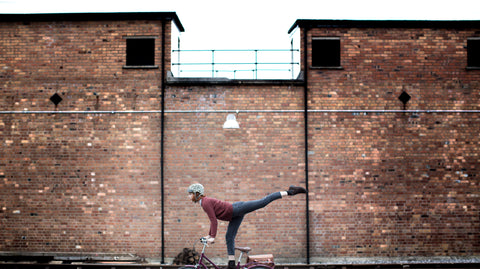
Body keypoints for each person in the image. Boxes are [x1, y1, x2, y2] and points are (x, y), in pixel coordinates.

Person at [187, 183, 307, 269]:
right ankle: (232, 264)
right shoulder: (204, 203)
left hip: (237, 209)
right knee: (229, 237)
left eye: (190, 194)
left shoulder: (205, 202)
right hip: (234, 215)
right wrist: (209, 235)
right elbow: (212, 219)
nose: (189, 196)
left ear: (197, 194)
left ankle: (290, 191)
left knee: (262, 202)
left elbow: (214, 220)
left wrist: (212, 237)